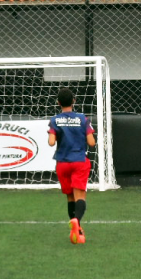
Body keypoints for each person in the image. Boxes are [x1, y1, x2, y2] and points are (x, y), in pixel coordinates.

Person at [48, 88, 96, 245]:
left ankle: (77, 230)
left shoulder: (54, 120)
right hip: (79, 161)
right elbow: (91, 143)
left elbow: (51, 142)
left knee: (70, 197)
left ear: (58, 103)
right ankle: (77, 220)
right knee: (80, 196)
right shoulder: (83, 119)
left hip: (62, 163)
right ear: (74, 101)